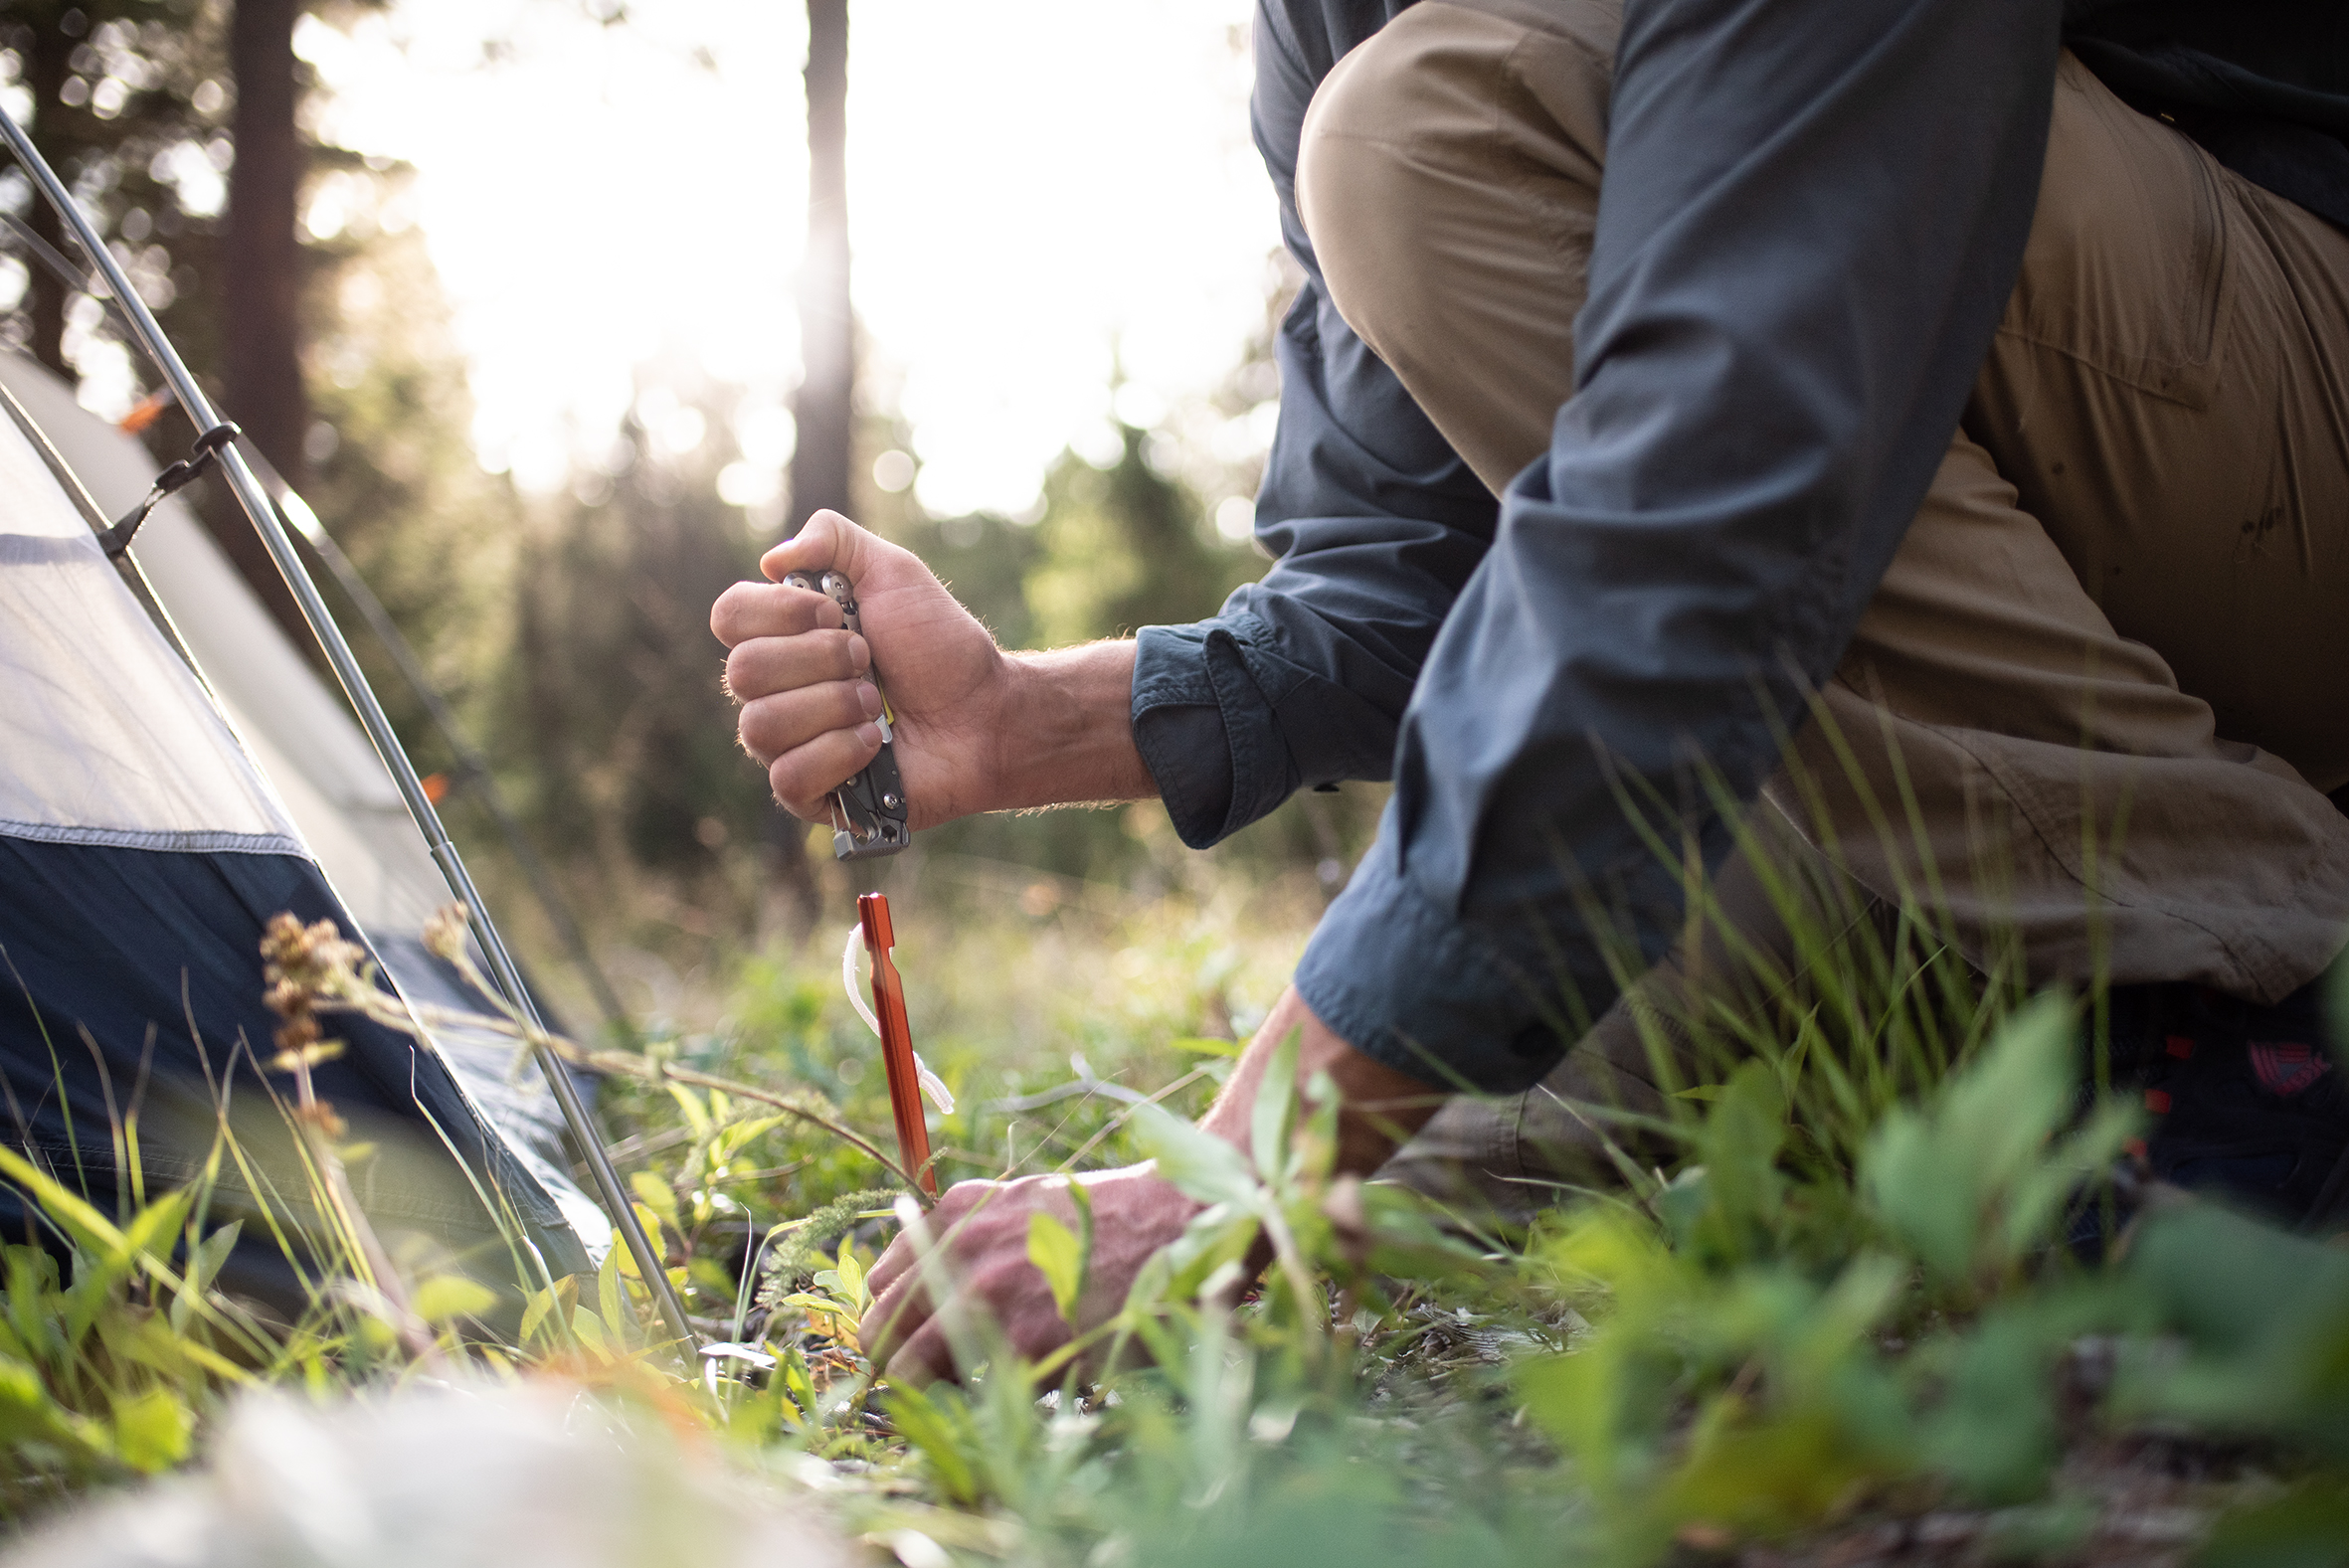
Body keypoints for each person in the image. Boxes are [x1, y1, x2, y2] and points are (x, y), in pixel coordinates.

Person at [711, 0, 2349, 1384]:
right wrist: (1022, 719)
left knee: (1422, 134)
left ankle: (2230, 1001)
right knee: (1465, 1126)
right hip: (1911, 540)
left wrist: (1246, 1169)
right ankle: (2015, 981)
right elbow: (1412, 566)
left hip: (2285, 396)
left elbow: (1721, 471)